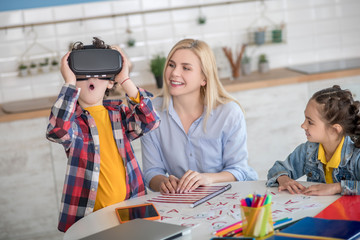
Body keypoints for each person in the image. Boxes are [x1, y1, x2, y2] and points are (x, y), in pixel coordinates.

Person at [46, 37, 160, 232]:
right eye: (83, 73)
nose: (92, 78)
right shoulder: (73, 122)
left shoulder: (120, 115)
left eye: (99, 74)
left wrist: (125, 79)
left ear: (109, 82)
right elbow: (57, 131)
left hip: (131, 207)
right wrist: (70, 84)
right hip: (91, 218)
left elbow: (150, 120)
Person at [141, 38, 258, 194]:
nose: (174, 73)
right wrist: (164, 182)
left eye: (186, 68)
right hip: (183, 202)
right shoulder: (151, 113)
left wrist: (207, 179)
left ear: (204, 78)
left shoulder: (229, 113)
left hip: (229, 197)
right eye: (171, 65)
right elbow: (152, 172)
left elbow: (239, 170)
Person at [267, 85, 360, 195]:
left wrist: (337, 187)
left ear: (334, 130)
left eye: (310, 122)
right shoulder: (308, 150)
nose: (303, 125)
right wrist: (283, 179)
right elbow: (277, 169)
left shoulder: (356, 156)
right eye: (305, 119)